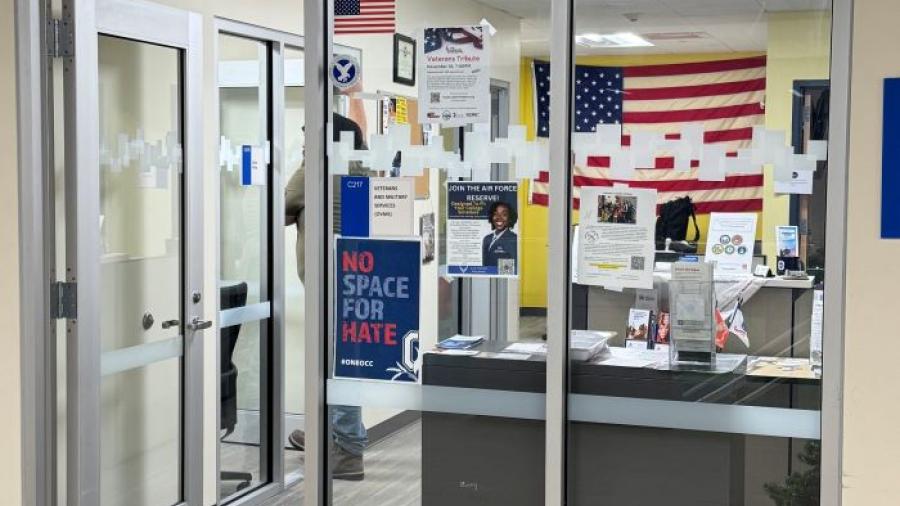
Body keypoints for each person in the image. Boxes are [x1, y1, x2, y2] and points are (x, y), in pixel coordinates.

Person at [284, 100, 369, 481]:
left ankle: (347, 450)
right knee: (343, 359)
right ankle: (329, 434)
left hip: (328, 280)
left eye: (307, 140)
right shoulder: (364, 167)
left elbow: (281, 208)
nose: (303, 146)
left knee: (336, 363)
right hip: (358, 275)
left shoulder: (315, 169)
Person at [481, 201, 518, 272]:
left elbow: (509, 270)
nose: (499, 217)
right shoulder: (487, 239)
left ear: (510, 218)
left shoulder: (513, 239)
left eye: (504, 214)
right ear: (491, 216)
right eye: (495, 214)